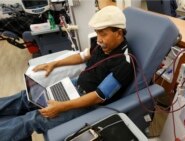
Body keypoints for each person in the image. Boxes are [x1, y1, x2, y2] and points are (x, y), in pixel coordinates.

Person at [0, 6, 134, 141]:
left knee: (32, 119)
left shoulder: (124, 64)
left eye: (103, 34)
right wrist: (53, 64)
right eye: (97, 33)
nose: (99, 39)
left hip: (87, 104)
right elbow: (81, 56)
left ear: (119, 33)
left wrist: (61, 107)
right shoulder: (100, 44)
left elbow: (98, 96)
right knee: (27, 96)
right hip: (74, 86)